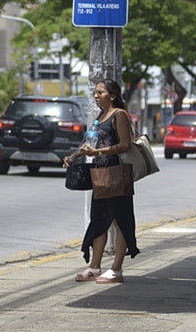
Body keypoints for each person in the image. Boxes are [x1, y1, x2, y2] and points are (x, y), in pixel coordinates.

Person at [63, 78, 139, 284]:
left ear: (112, 95)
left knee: (120, 221)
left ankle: (117, 269)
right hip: (100, 174)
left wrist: (98, 151)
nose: (96, 96)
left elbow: (125, 145)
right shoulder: (100, 116)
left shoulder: (119, 115)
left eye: (101, 92)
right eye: (95, 92)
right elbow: (90, 142)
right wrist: (74, 156)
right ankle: (95, 267)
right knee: (99, 221)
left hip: (116, 174)